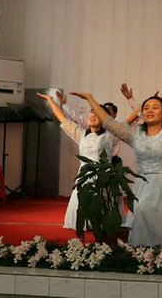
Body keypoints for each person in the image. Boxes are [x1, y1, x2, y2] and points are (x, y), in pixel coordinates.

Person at [70, 74, 162, 247]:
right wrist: (91, 99)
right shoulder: (135, 135)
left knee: (155, 219)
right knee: (143, 212)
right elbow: (109, 123)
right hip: (143, 185)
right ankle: (146, 252)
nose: (150, 109)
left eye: (155, 107)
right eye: (147, 107)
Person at [38, 93, 121, 231]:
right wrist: (50, 100)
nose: (92, 115)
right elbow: (62, 118)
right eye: (91, 112)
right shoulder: (81, 134)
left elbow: (130, 121)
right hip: (85, 175)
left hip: (104, 176)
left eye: (97, 114)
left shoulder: (110, 136)